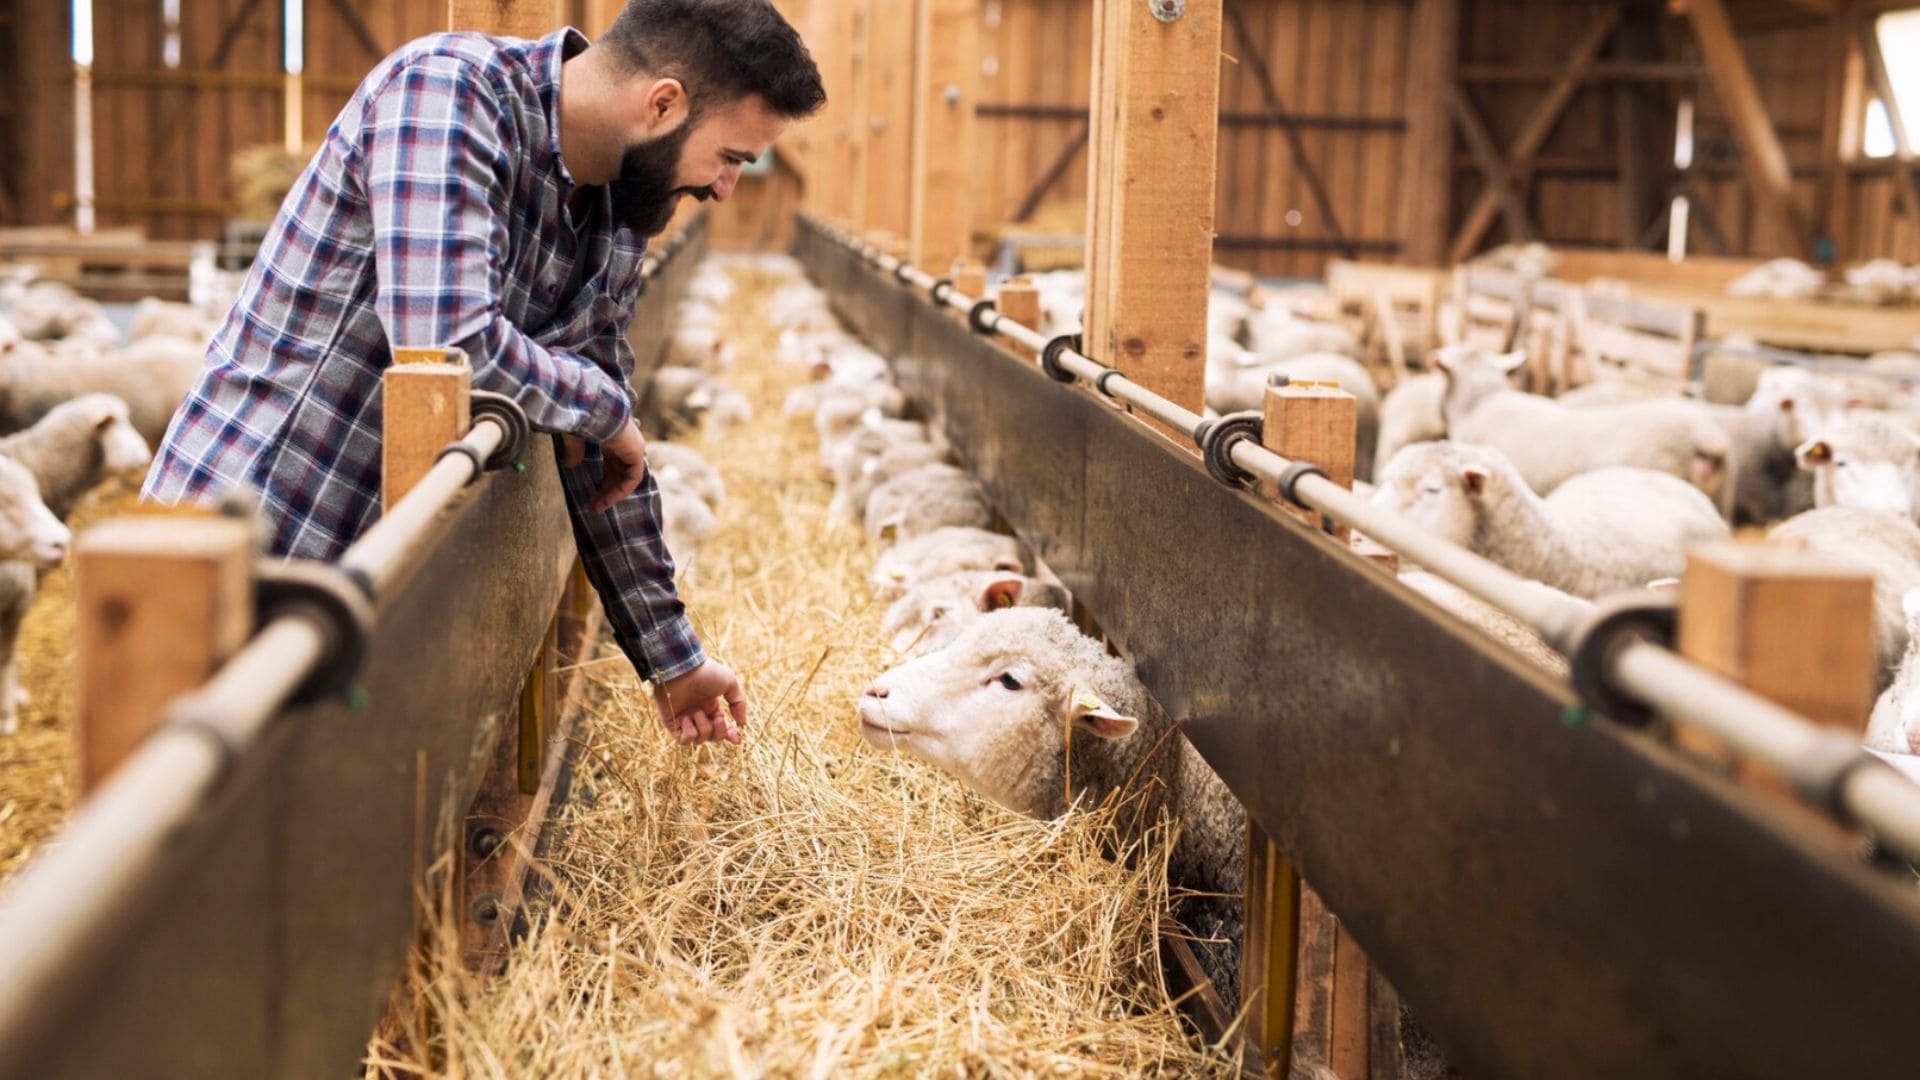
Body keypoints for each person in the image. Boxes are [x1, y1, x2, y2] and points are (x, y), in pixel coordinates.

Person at [141, 0, 824, 746]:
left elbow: (607, 458)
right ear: (663, 104)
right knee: (168, 828)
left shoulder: (616, 220)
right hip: (255, 535)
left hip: (382, 570)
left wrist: (675, 659)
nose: (726, 189)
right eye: (731, 157)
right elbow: (447, 342)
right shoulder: (448, 94)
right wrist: (601, 406)